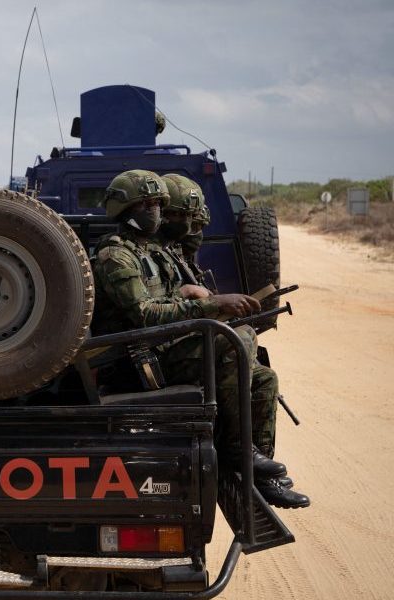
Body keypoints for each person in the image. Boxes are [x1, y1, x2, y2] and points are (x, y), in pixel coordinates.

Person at [92, 169, 309, 508]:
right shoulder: (115, 254)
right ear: (125, 208)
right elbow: (145, 314)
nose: (154, 211)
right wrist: (209, 306)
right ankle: (238, 450)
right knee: (231, 342)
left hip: (162, 346)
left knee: (265, 379)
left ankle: (260, 479)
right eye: (145, 203)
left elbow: (164, 298)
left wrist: (192, 296)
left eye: (157, 204)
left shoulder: (150, 250)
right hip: (135, 359)